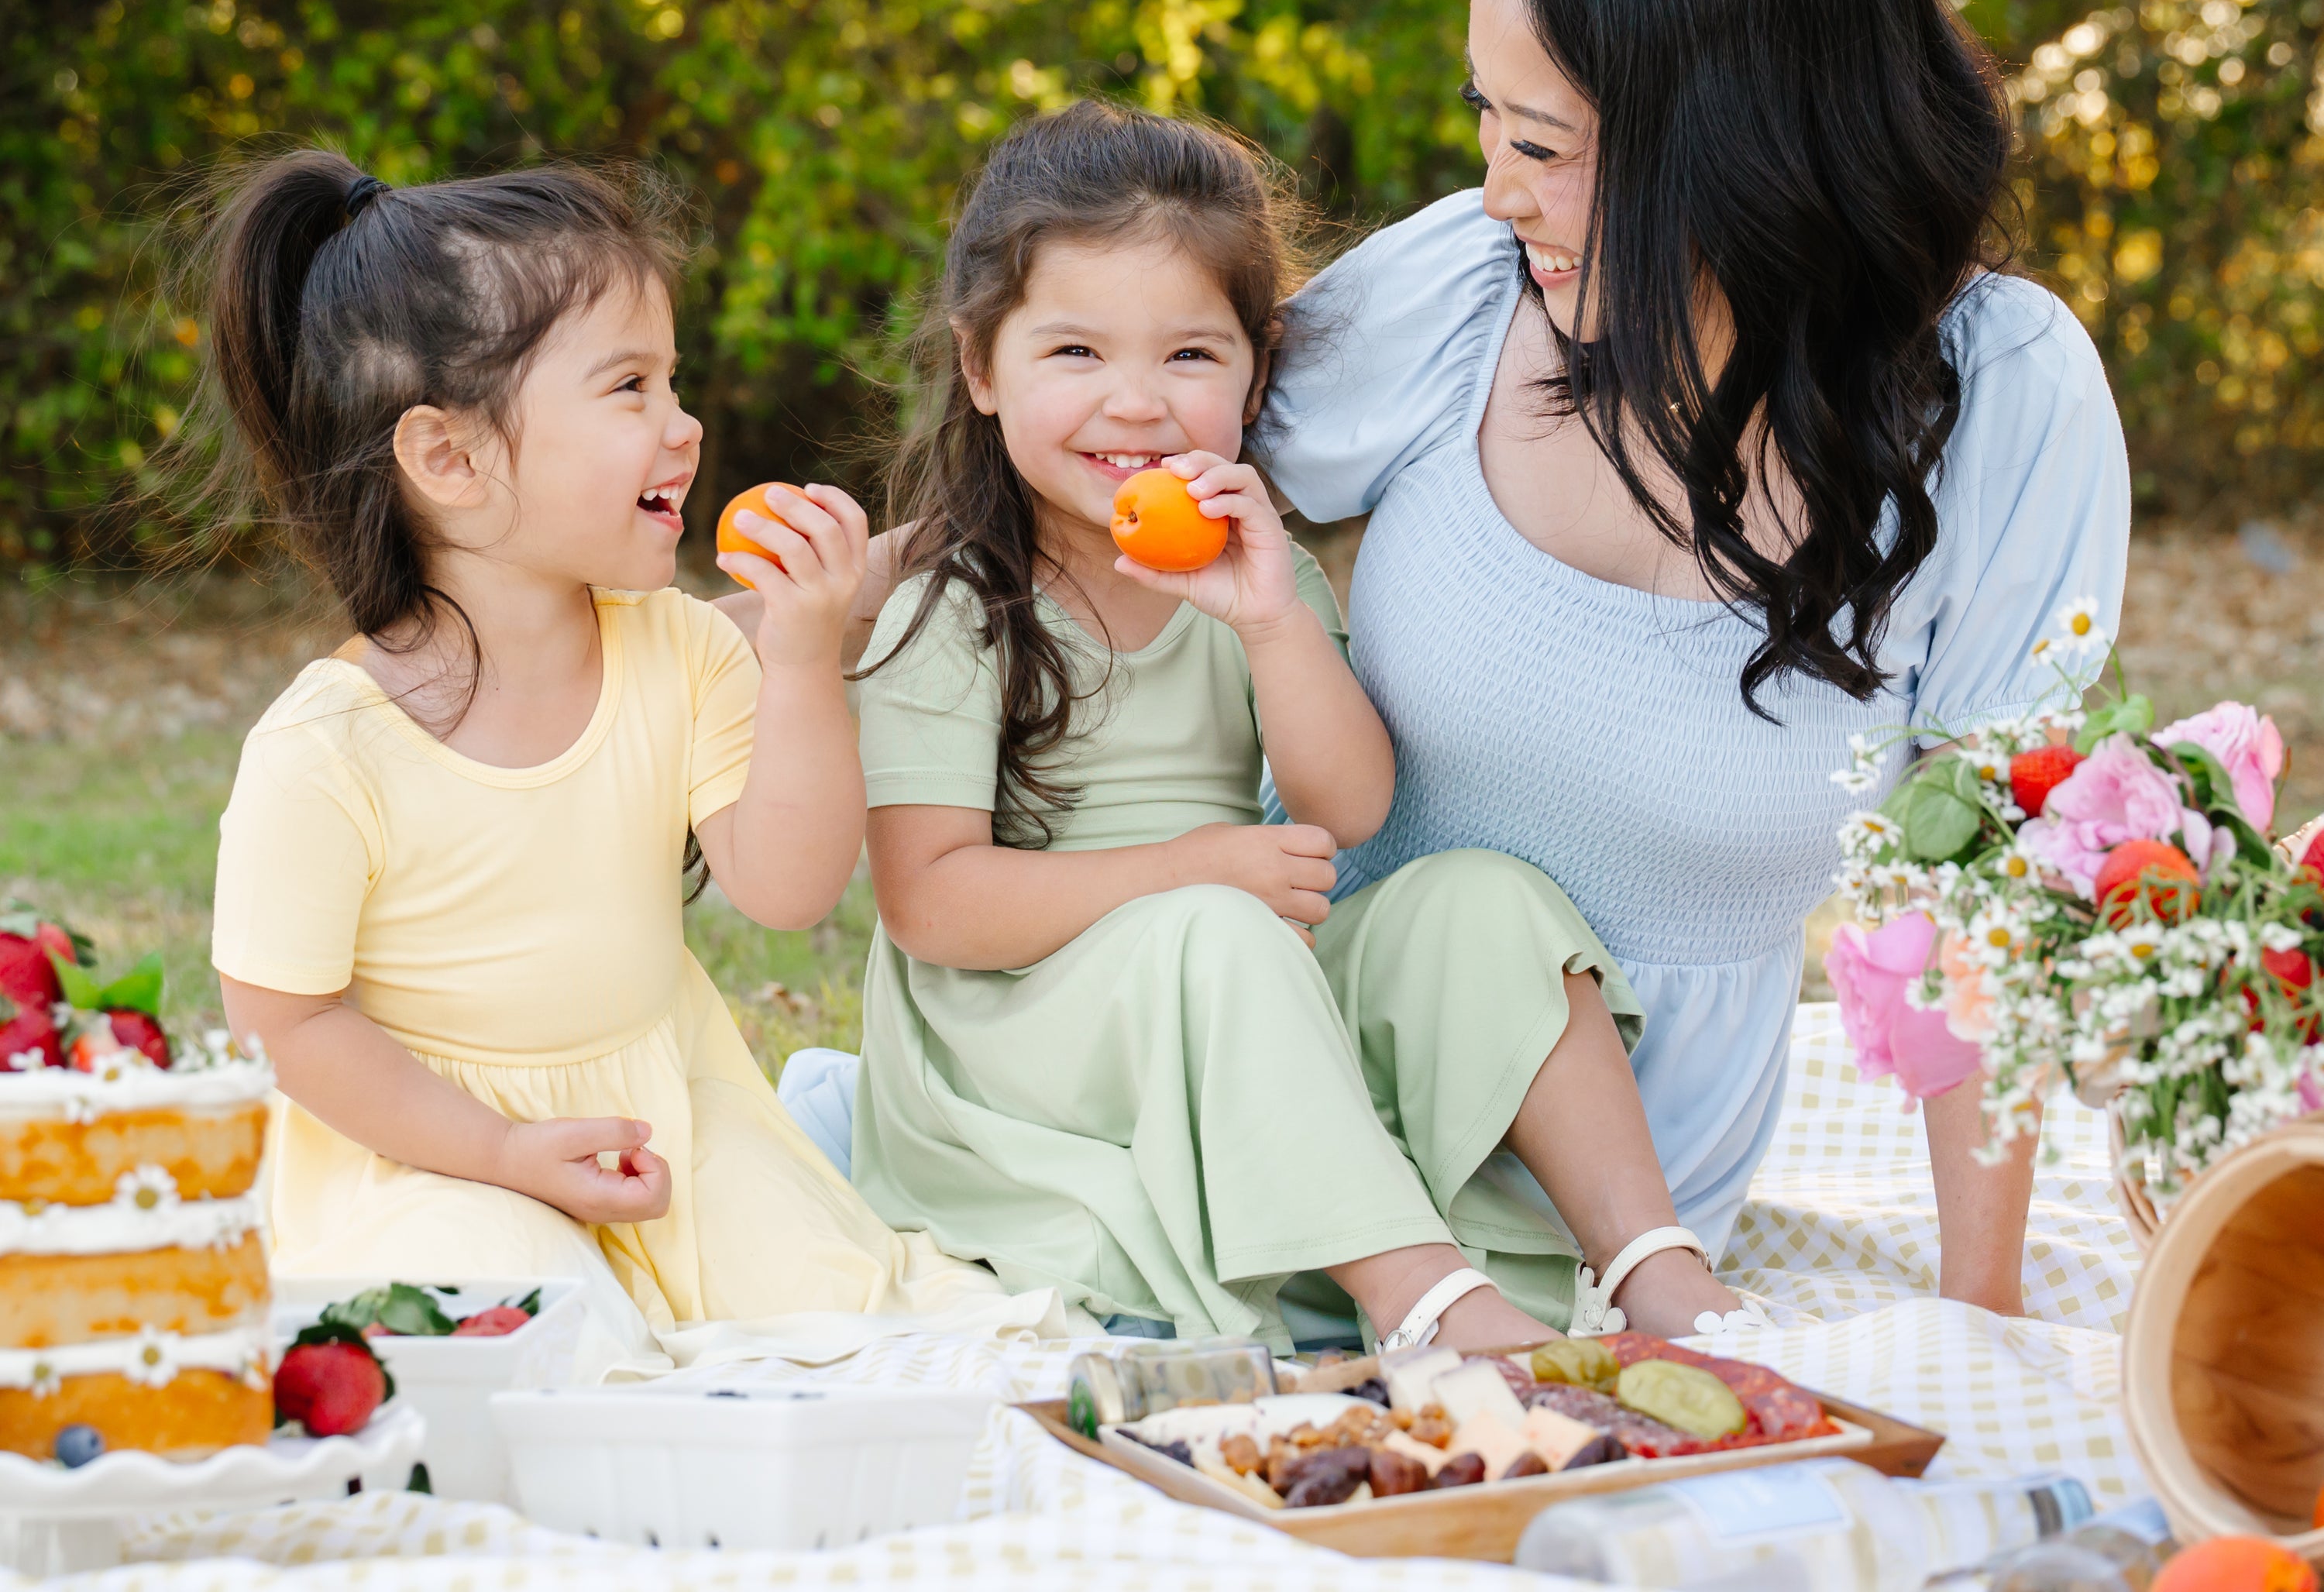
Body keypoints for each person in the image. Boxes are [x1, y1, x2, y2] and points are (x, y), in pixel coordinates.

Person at [1250, 0, 2132, 1313]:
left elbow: (1987, 896)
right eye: (1488, 123)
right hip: (1313, 1091)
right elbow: (1113, 481)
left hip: (1640, 1212)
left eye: (1546, 141)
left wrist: (1980, 1321)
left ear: (1741, 149)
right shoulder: (1468, 294)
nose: (1497, 188)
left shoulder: (2002, 401)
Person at [827, 99, 1758, 1352]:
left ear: (1256, 370)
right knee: (1217, 931)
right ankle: (1425, 1302)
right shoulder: (956, 608)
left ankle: (1652, 1266)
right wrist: (1190, 872)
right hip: (1023, 1033)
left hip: (1228, 974)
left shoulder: (1255, 576)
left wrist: (1270, 622)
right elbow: (931, 907)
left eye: (1191, 357)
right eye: (1075, 355)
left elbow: (1352, 810)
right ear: (983, 369)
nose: (1137, 404)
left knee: (1485, 899)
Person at [200, 151, 1001, 1365]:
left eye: (673, 381)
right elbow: (289, 1026)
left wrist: (798, 659)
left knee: (842, 1310)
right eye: (629, 386)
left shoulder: (681, 652)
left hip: (663, 1115)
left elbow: (786, 893)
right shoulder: (328, 750)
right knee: (525, 1319)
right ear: (450, 457)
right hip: (431, 1149)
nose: (683, 426)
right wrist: (506, 1155)